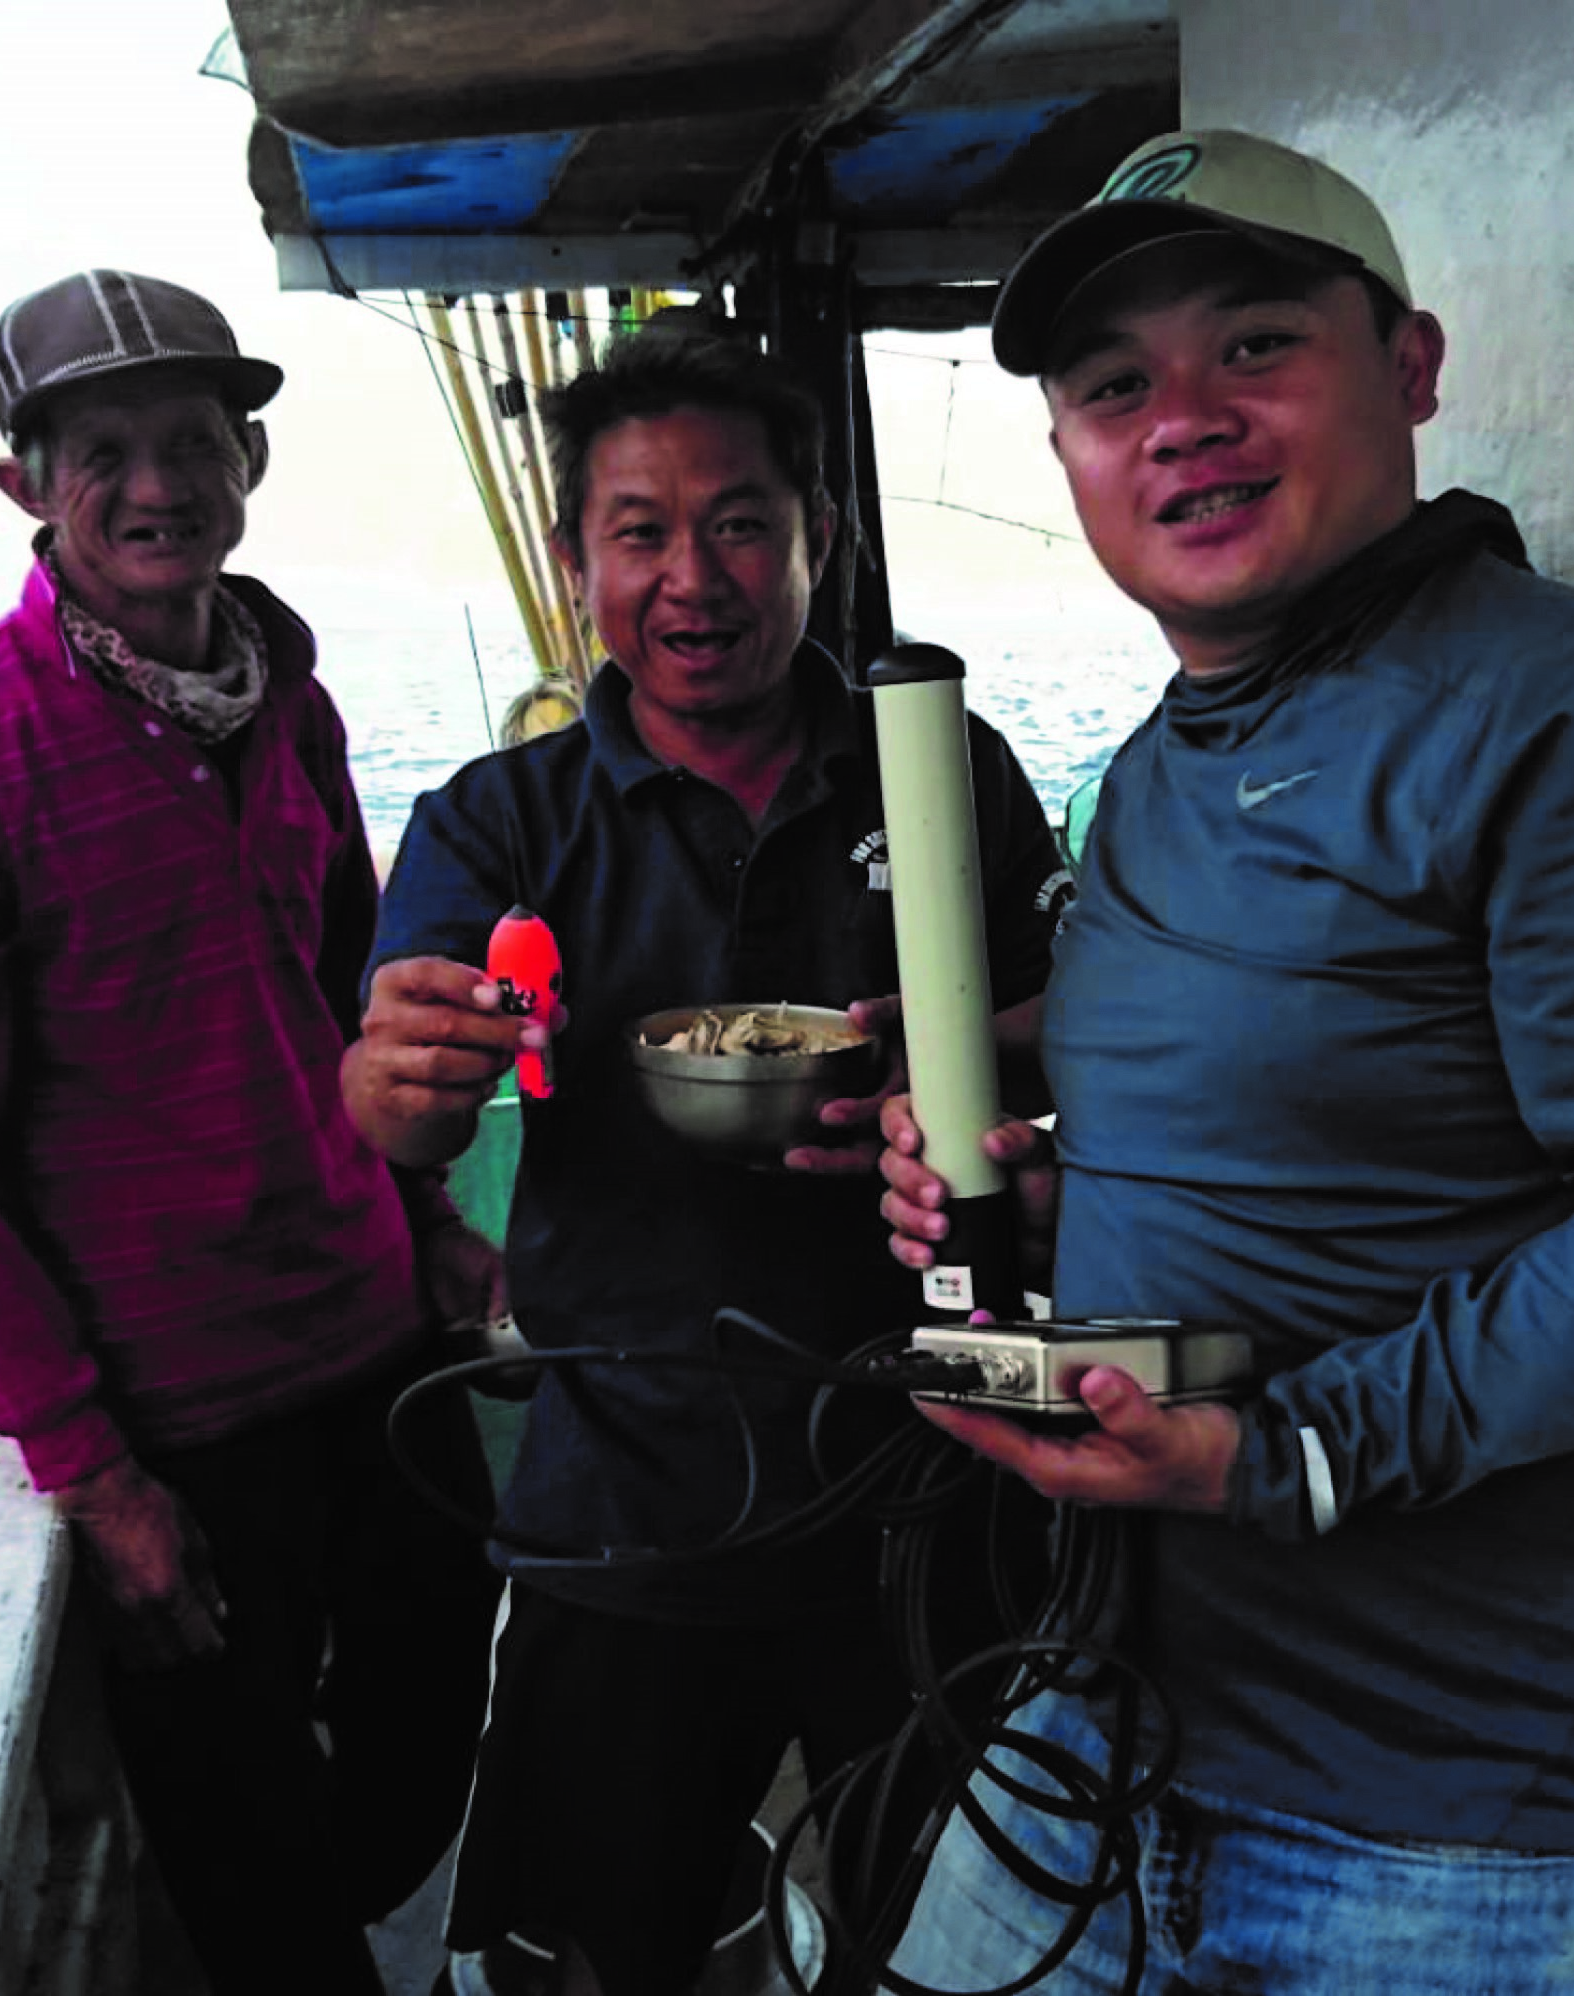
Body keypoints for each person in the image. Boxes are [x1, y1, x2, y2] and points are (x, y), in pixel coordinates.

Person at [873, 132, 1574, 1994]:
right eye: (1115, 385)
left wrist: (1299, 1452)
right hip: (1109, 1715)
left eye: (1254, 344)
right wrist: (1040, 1186)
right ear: (1070, 456)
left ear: (1408, 369)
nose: (1181, 419)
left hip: (1454, 1813)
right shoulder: (1171, 756)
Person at [343, 319, 1074, 1996]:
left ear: (818, 533)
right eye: (641, 530)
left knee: (956, 1947)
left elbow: (1062, 1017)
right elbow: (401, 1112)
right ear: (574, 556)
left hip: (930, 1473)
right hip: (627, 1494)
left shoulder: (937, 766)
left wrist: (962, 1063)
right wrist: (407, 1068)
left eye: (742, 522)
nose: (696, 576)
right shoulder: (501, 816)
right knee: (605, 1951)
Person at [0, 268, 499, 1995]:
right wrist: (88, 1467)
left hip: (372, 1347)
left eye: (194, 439)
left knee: (431, 1748)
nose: (156, 484)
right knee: (258, 1888)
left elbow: (345, 990)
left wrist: (426, 1223)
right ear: (25, 490)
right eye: (101, 449)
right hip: (181, 1424)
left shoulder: (292, 698)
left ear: (250, 459)